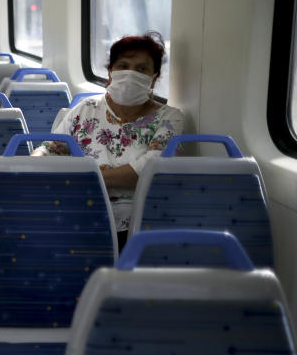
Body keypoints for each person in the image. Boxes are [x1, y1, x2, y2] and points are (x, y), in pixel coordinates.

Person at [32, 31, 185, 248]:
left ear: (154, 78)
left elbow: (148, 170)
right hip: (77, 213)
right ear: (110, 73)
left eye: (141, 69)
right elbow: (50, 147)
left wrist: (78, 177)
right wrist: (35, 162)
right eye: (123, 66)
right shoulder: (85, 109)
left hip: (138, 224)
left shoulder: (170, 119)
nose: (131, 74)